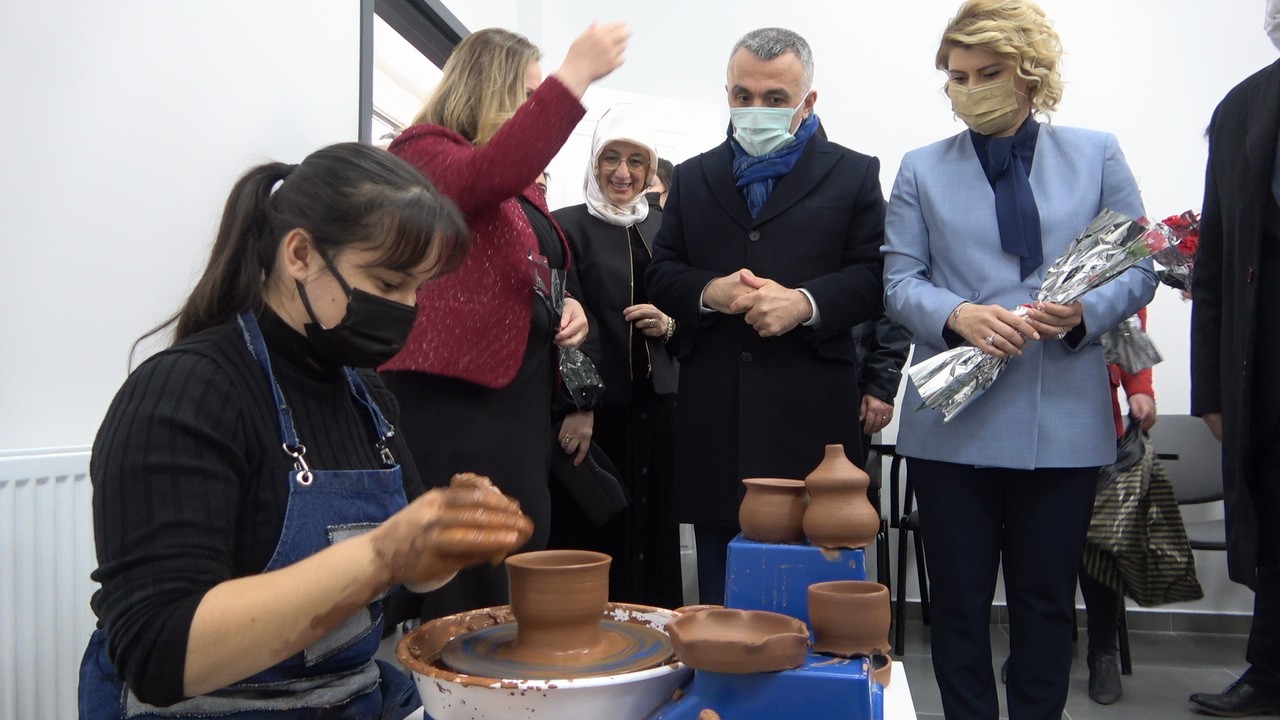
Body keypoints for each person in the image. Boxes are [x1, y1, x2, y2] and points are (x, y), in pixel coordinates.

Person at [79, 142, 535, 719]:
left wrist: (450, 537)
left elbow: (412, 570)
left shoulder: (366, 396)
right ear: (299, 254)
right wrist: (383, 553)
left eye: (419, 288)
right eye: (389, 282)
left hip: (345, 699)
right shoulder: (185, 393)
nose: (407, 309)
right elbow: (160, 654)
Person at [881, 1, 1157, 717]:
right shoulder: (921, 168)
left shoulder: (1096, 152)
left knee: (1044, 605)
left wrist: (1085, 312)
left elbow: (1141, 266)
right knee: (959, 606)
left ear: (1031, 75)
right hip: (952, 423)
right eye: (956, 76)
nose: (968, 89)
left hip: (1063, 415)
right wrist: (955, 314)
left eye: (988, 72)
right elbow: (898, 281)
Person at [381, 23, 628, 620]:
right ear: (485, 89)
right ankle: (460, 694)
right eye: (526, 95)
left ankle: (488, 690)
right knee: (470, 563)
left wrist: (564, 305)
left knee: (512, 548)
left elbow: (532, 262)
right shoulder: (422, 152)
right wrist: (576, 75)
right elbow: (486, 176)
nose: (532, 110)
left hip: (512, 396)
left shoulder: (507, 179)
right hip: (456, 400)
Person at [646, 27, 885, 606]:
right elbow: (662, 272)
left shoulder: (852, 173)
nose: (756, 110)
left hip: (811, 421)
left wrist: (804, 304)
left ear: (808, 103)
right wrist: (711, 292)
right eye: (743, 96)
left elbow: (874, 279)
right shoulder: (696, 177)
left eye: (775, 99)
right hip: (716, 416)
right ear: (726, 93)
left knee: (814, 598)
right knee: (721, 596)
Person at [548, 104, 684, 610]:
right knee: (594, 528)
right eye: (611, 158)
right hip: (596, 417)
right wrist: (579, 406)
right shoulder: (566, 229)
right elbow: (564, 328)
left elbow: (696, 314)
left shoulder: (668, 230)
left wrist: (669, 326)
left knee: (653, 533)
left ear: (651, 169)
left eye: (636, 161)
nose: (622, 173)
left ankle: (654, 644)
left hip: (659, 410)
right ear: (593, 161)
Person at [1188, 3, 1280, 714]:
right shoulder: (1244, 106)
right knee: (1274, 508)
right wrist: (1211, 386)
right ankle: (1269, 669)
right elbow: (1212, 261)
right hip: (1265, 354)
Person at [1080, 308, 1157, 705]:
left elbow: (1126, 314)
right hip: (1025, 419)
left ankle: (1103, 653)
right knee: (1037, 546)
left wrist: (1139, 386)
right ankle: (1036, 643)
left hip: (1095, 420)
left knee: (1102, 548)